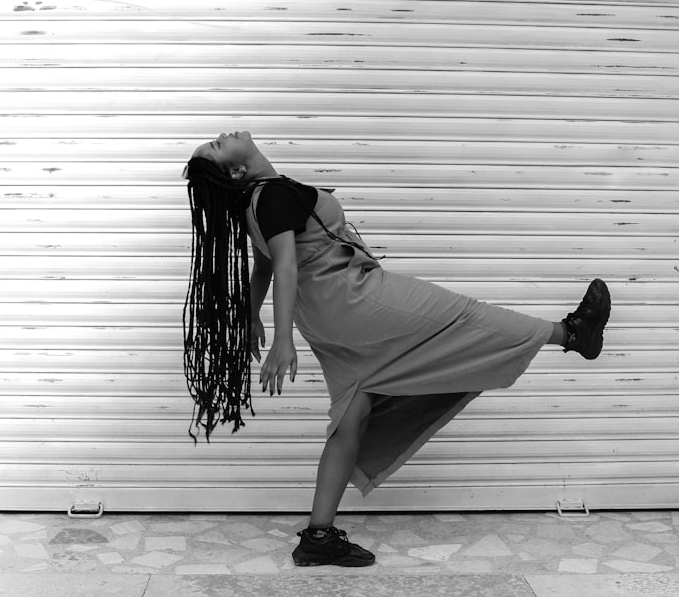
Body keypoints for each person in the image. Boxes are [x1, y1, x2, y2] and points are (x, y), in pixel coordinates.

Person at [183, 131, 611, 568]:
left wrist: (253, 315)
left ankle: (318, 535)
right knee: (461, 317)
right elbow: (285, 266)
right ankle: (571, 333)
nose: (222, 136)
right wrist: (280, 338)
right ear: (236, 170)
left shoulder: (259, 201)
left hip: (327, 316)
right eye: (216, 147)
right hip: (354, 299)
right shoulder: (269, 195)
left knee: (354, 412)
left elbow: (266, 267)